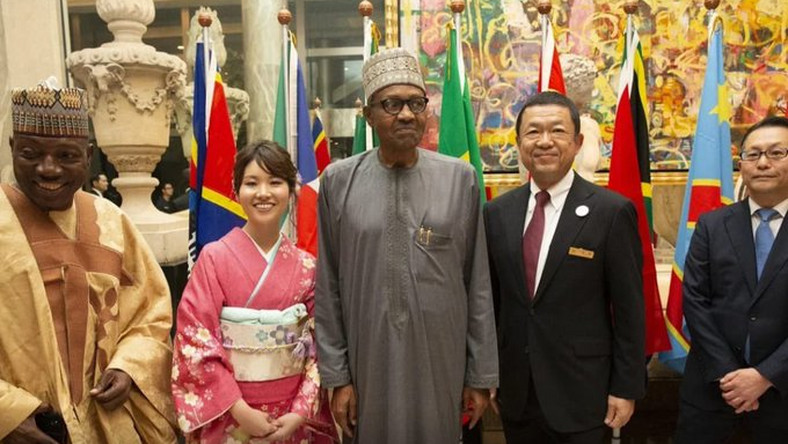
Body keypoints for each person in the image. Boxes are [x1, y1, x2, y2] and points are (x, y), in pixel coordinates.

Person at [315, 47, 498, 443]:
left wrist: (479, 375)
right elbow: (327, 287)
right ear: (369, 115)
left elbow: (478, 283)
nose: (406, 114)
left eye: (417, 103)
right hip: (368, 364)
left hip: (441, 361)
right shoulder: (337, 181)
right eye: (392, 104)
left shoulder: (460, 179)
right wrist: (337, 376)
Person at [0, 79, 176, 442]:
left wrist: (129, 367)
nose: (48, 169)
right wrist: (7, 413)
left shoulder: (112, 222)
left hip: (106, 425)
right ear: (12, 148)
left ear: (89, 154)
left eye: (66, 155)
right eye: (31, 154)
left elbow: (150, 315)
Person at [484, 91, 646, 443]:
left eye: (557, 131)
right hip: (517, 391)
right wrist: (490, 374)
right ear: (518, 142)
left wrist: (626, 387)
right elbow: (493, 304)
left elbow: (630, 309)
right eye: (533, 132)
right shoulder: (497, 213)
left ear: (577, 142)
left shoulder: (611, 211)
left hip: (583, 392)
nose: (544, 142)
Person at [172, 140, 336, 443]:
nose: (263, 193)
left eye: (275, 182)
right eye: (251, 183)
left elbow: (323, 342)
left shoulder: (307, 266)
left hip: (292, 418)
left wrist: (300, 412)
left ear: (291, 191)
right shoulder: (214, 259)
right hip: (232, 419)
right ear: (236, 192)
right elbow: (195, 340)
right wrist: (238, 409)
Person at [675, 115, 788, 443]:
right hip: (712, 393)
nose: (762, 163)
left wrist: (765, 375)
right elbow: (695, 301)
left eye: (776, 153)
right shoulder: (712, 225)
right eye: (752, 154)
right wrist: (730, 375)